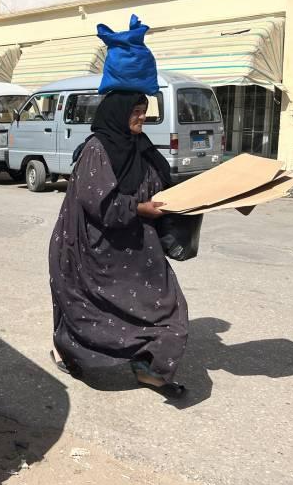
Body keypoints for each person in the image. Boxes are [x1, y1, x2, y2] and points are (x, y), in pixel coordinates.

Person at [48, 91, 189, 398]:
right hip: (96, 249)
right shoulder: (97, 150)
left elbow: (164, 183)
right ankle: (69, 352)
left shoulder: (141, 145)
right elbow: (99, 202)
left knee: (166, 306)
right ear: (117, 114)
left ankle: (150, 369)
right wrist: (139, 208)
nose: (142, 117)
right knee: (90, 310)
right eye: (136, 111)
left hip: (140, 248)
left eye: (144, 111)